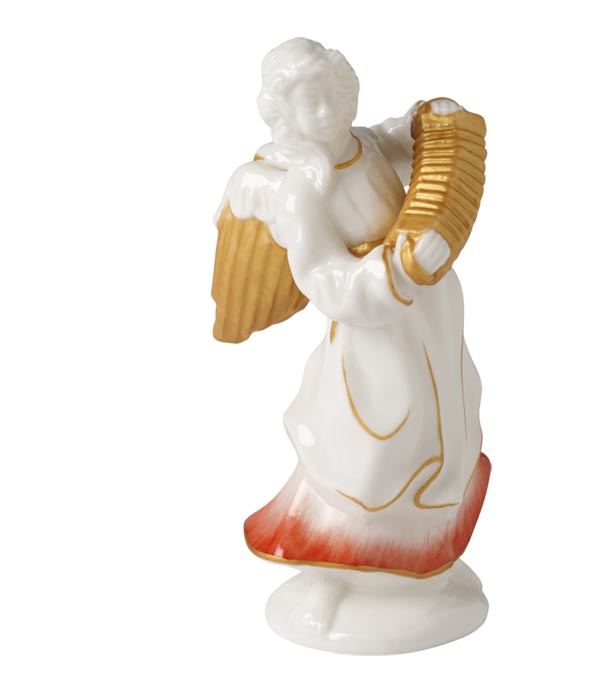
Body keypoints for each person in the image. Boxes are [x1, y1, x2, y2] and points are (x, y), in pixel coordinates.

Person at [219, 37, 490, 616]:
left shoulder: (363, 143)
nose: (329, 111)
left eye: (336, 94)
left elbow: (399, 137)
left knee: (444, 431)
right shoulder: (298, 189)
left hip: (430, 320)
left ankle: (422, 565)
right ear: (283, 113)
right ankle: (341, 572)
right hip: (374, 339)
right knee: (375, 457)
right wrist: (396, 271)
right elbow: (323, 278)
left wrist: (430, 120)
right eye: (311, 101)